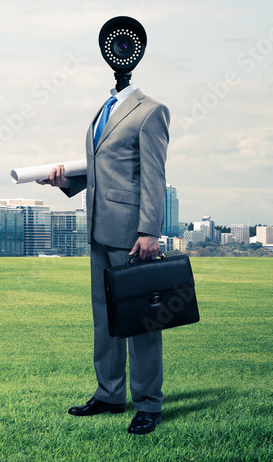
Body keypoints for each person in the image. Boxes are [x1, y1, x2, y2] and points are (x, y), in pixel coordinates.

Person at [37, 81, 169, 435]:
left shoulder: (151, 110)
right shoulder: (104, 108)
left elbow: (154, 175)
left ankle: (148, 405)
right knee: (105, 320)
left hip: (132, 233)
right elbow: (103, 168)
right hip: (99, 229)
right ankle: (110, 394)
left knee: (141, 323)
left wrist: (150, 231)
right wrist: (66, 183)